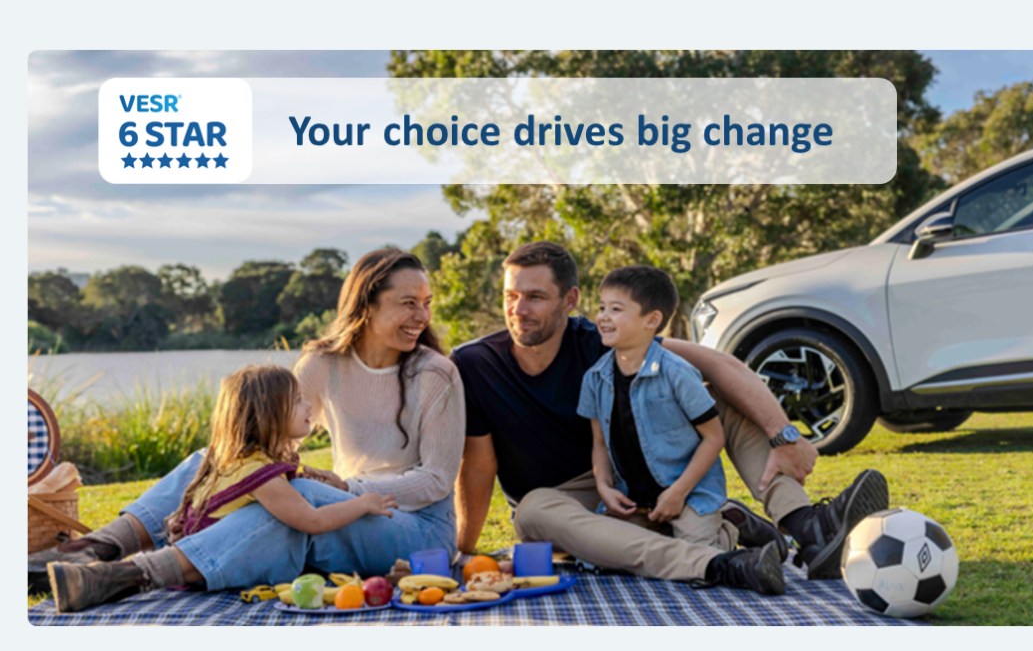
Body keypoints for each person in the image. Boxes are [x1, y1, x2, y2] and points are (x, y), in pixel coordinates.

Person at [30, 249, 465, 607]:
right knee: (218, 459)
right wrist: (198, 507)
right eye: (408, 303)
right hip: (345, 509)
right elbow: (270, 440)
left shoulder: (435, 375)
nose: (421, 315)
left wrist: (347, 488)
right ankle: (96, 550)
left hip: (416, 529)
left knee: (297, 498)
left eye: (426, 303)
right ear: (366, 304)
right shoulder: (323, 364)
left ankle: (133, 575)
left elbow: (437, 479)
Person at [452, 241, 889, 585]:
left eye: (534, 297)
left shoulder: (600, 341)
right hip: (566, 507)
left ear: (570, 300)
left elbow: (717, 364)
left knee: (710, 396)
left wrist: (783, 434)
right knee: (532, 511)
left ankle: (804, 523)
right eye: (511, 296)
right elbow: (478, 464)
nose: (519, 310)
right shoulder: (474, 364)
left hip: (636, 483)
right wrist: (463, 551)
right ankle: (718, 556)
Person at [46, 365, 401, 612]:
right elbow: (313, 521)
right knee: (290, 526)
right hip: (210, 568)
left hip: (196, 560)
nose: (309, 405)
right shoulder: (263, 475)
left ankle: (87, 557)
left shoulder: (234, 460)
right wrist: (362, 502)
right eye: (296, 401)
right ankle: (117, 577)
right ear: (269, 415)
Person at [580, 265, 784, 594]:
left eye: (616, 310)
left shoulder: (677, 373)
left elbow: (713, 437)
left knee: (699, 565)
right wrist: (604, 486)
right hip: (635, 500)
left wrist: (677, 493)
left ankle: (728, 527)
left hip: (688, 493)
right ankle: (710, 520)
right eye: (601, 307)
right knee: (604, 558)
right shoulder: (595, 378)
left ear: (652, 321)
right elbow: (600, 444)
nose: (603, 317)